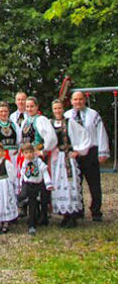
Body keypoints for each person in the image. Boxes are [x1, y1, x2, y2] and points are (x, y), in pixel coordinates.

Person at [64, 90, 110, 221]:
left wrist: (103, 152)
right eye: (75, 99)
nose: (78, 102)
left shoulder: (93, 115)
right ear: (71, 101)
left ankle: (96, 211)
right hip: (74, 153)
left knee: (94, 183)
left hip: (90, 151)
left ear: (84, 100)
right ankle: (78, 210)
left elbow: (101, 133)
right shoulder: (67, 116)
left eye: (80, 99)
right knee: (76, 183)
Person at [50, 99, 91, 227]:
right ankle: (65, 215)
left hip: (67, 158)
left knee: (69, 185)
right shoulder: (49, 123)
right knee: (58, 185)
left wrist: (77, 151)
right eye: (55, 108)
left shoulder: (70, 122)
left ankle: (72, 216)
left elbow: (84, 135)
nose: (57, 111)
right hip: (56, 159)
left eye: (59, 108)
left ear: (63, 109)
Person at [18, 143, 53, 235]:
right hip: (28, 184)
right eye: (26, 153)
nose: (29, 154)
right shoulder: (24, 162)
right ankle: (31, 224)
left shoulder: (38, 162)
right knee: (31, 204)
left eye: (30, 152)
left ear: (34, 152)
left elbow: (45, 172)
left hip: (38, 184)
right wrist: (21, 186)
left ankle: (41, 219)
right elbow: (22, 174)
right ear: (23, 154)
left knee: (40, 202)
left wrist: (48, 184)